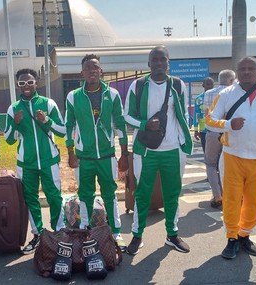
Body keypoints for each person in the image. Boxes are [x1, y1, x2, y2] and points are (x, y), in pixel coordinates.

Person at [206, 56, 256, 259]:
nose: (246, 72)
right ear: (237, 71)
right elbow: (209, 120)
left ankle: (245, 234)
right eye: (242, 69)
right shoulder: (226, 93)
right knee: (232, 200)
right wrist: (228, 124)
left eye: (251, 68)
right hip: (233, 155)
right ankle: (232, 238)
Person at [124, 45, 193, 255]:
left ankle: (172, 234)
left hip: (173, 150)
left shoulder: (179, 85)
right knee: (142, 194)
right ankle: (137, 236)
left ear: (168, 63)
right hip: (146, 151)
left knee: (172, 193)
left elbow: (184, 115)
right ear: (148, 63)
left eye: (163, 60)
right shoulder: (138, 85)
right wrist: (145, 124)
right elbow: (126, 116)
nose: (159, 64)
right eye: (155, 60)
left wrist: (182, 142)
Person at [65, 54, 129, 251]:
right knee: (85, 194)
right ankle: (85, 229)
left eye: (96, 67)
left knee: (109, 194)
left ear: (101, 70)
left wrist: (124, 154)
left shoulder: (113, 94)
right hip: (84, 156)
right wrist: (71, 151)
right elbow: (69, 124)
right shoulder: (74, 96)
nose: (92, 71)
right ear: (82, 72)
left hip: (107, 155)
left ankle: (116, 232)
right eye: (88, 68)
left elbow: (120, 124)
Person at [4, 68, 66, 254]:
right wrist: (15, 122)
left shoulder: (48, 104)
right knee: (30, 199)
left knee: (54, 196)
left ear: (36, 83)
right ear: (18, 85)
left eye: (30, 82)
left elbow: (61, 131)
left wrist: (46, 119)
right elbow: (8, 139)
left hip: (49, 159)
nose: (26, 86)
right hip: (26, 163)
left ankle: (59, 230)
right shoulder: (13, 108)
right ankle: (38, 234)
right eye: (22, 83)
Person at [203, 70, 236, 209]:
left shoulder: (208, 93)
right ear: (231, 80)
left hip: (212, 133)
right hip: (230, 134)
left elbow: (206, 113)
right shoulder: (235, 93)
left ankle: (217, 195)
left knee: (211, 165)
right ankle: (229, 195)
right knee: (228, 165)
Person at [193, 77, 214, 153]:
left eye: (211, 84)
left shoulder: (218, 97)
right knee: (206, 152)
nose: (210, 86)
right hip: (204, 131)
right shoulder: (199, 99)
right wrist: (196, 130)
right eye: (208, 84)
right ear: (203, 85)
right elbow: (196, 115)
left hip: (216, 130)